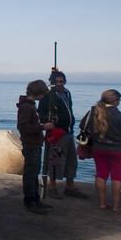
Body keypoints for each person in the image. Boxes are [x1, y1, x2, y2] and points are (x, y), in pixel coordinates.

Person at [82, 89, 121, 212]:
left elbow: (83, 125)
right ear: (116, 101)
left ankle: (102, 203)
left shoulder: (93, 112)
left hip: (99, 149)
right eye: (119, 100)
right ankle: (116, 206)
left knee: (100, 175)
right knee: (117, 177)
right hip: (118, 151)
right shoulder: (120, 116)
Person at [37, 70, 88, 199]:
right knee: (54, 160)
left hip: (68, 132)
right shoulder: (48, 96)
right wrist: (49, 123)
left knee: (71, 161)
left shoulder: (67, 93)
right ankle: (52, 187)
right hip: (56, 134)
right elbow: (41, 113)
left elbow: (69, 109)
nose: (59, 84)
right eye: (56, 81)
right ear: (52, 82)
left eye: (62, 81)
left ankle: (70, 187)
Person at [17, 79, 54, 214]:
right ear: (38, 93)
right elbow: (23, 127)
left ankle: (35, 199)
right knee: (31, 174)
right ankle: (30, 201)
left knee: (33, 174)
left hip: (34, 144)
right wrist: (43, 126)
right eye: (43, 94)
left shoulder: (29, 105)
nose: (43, 96)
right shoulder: (26, 107)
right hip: (31, 145)